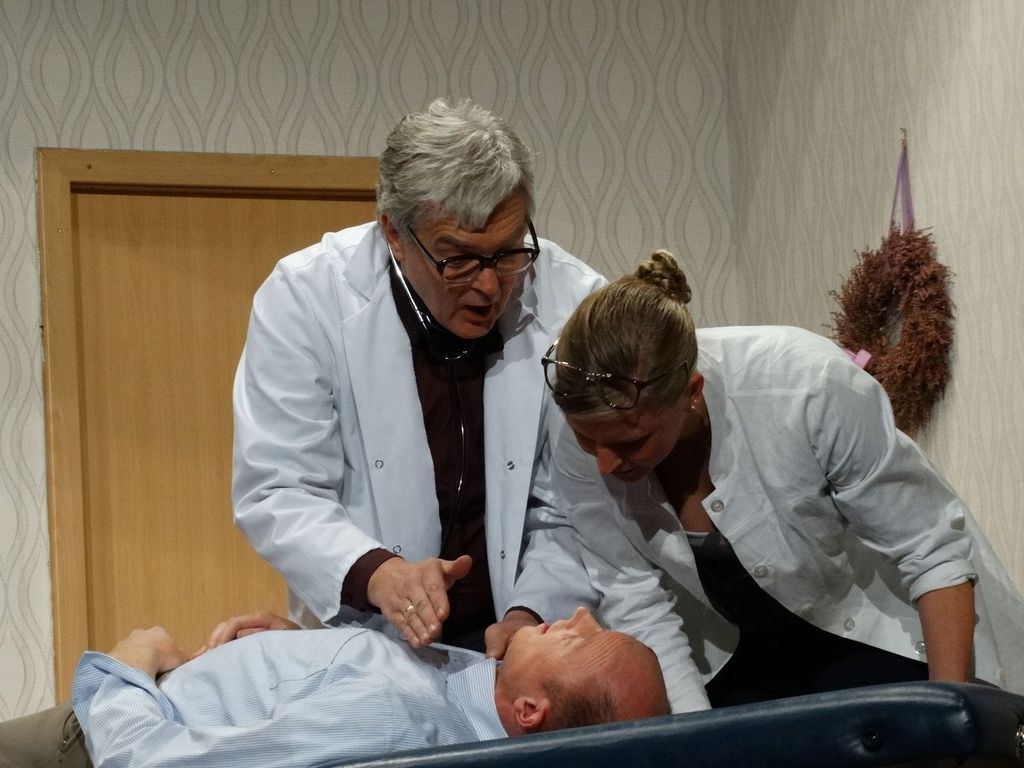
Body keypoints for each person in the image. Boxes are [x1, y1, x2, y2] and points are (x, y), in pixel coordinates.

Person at [540, 249, 1024, 712]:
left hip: (889, 629)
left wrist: (948, 718)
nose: (605, 465)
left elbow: (930, 552)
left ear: (692, 392)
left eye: (631, 442)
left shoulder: (806, 384)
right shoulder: (575, 439)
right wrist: (697, 737)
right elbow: (638, 602)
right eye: (588, 440)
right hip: (745, 657)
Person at [232, 97, 604, 655]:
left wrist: (530, 615)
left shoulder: (574, 301)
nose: (488, 286)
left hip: (523, 639)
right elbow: (278, 490)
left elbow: (573, 505)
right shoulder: (305, 298)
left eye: (507, 253)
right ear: (394, 234)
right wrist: (379, 573)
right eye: (459, 259)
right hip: (368, 637)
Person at [0, 607, 669, 768]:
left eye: (579, 641)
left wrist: (129, 664)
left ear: (529, 711)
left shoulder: (402, 721)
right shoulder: (467, 690)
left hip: (89, 745)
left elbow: (153, 766)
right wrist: (299, 651)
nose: (578, 615)